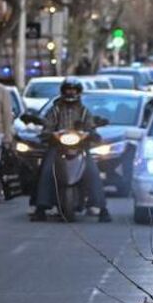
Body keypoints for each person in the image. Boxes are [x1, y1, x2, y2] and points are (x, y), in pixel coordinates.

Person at [31, 79, 110, 222]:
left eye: (74, 89)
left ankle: (102, 208)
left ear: (79, 92)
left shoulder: (84, 111)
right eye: (68, 89)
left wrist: (89, 133)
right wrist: (50, 134)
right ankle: (40, 207)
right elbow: (47, 127)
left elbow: (90, 127)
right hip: (58, 147)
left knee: (93, 171)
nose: (71, 92)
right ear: (63, 91)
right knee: (47, 169)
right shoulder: (55, 110)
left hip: (80, 148)